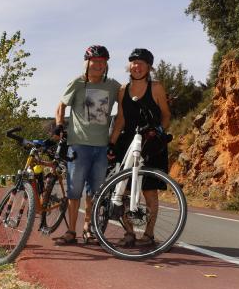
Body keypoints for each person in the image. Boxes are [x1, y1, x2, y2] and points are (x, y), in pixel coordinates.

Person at [53, 45, 121, 244]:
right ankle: (71, 231)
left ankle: (88, 227)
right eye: (95, 61)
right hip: (79, 145)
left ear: (106, 64)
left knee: (94, 191)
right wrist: (59, 125)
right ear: (87, 63)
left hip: (101, 146)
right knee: (75, 190)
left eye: (102, 61)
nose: (99, 65)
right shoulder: (78, 82)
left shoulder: (113, 86)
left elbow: (128, 101)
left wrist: (113, 140)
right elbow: (61, 106)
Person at [108, 48, 171, 246]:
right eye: (134, 63)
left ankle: (149, 234)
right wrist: (111, 144)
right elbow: (120, 120)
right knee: (123, 190)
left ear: (149, 67)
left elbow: (166, 115)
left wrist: (159, 131)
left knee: (150, 191)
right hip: (128, 142)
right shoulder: (122, 90)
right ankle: (129, 232)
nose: (137, 67)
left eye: (142, 63)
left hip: (151, 142)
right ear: (129, 66)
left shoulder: (156, 88)